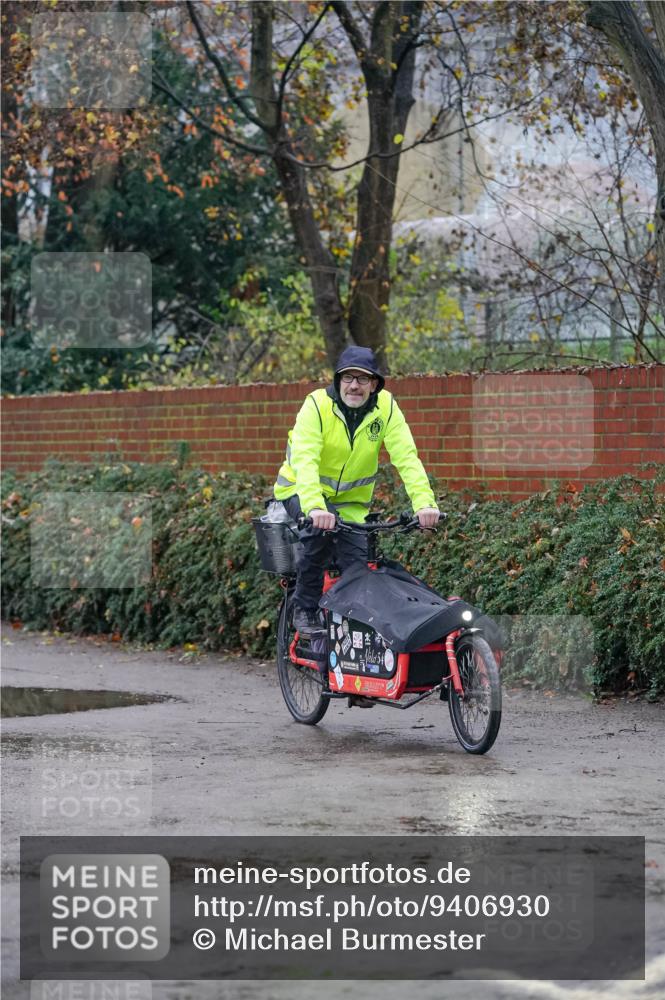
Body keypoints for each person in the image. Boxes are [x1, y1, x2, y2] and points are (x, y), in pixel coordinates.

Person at [273, 346, 440, 633]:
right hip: (300, 490)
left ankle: (348, 648)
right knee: (319, 533)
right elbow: (305, 459)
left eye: (362, 379)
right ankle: (305, 608)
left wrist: (424, 504)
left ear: (374, 384)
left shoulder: (385, 407)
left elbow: (407, 457)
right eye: (347, 377)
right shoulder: (316, 406)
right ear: (337, 381)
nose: (354, 385)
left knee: (360, 570)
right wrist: (315, 507)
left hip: (350, 504)